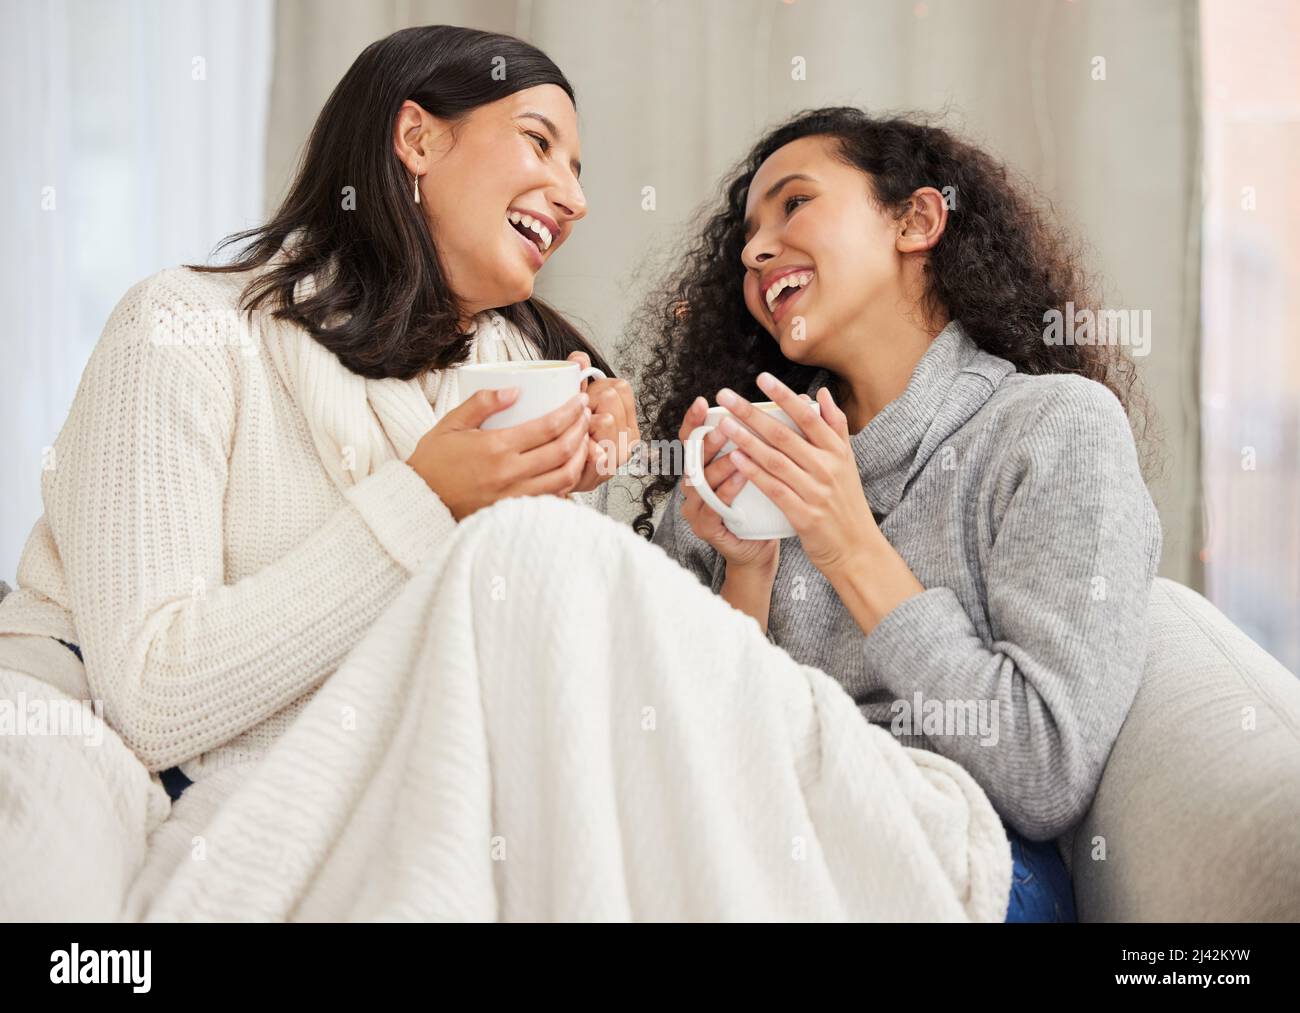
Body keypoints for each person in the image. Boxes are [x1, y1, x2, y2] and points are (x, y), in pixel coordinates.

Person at [0, 24, 637, 807]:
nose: (576, 199)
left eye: (576, 171)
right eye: (539, 144)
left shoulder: (513, 380)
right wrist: (426, 500)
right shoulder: (183, 328)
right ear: (418, 138)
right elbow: (151, 696)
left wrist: (570, 500)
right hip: (74, 756)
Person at [632, 107, 1163, 922]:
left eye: (795, 204)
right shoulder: (740, 463)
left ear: (917, 219)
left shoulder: (1053, 429)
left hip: (957, 861)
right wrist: (747, 571)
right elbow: (686, 760)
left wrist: (849, 545)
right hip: (752, 848)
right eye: (747, 234)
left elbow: (1044, 771)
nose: (754, 249)